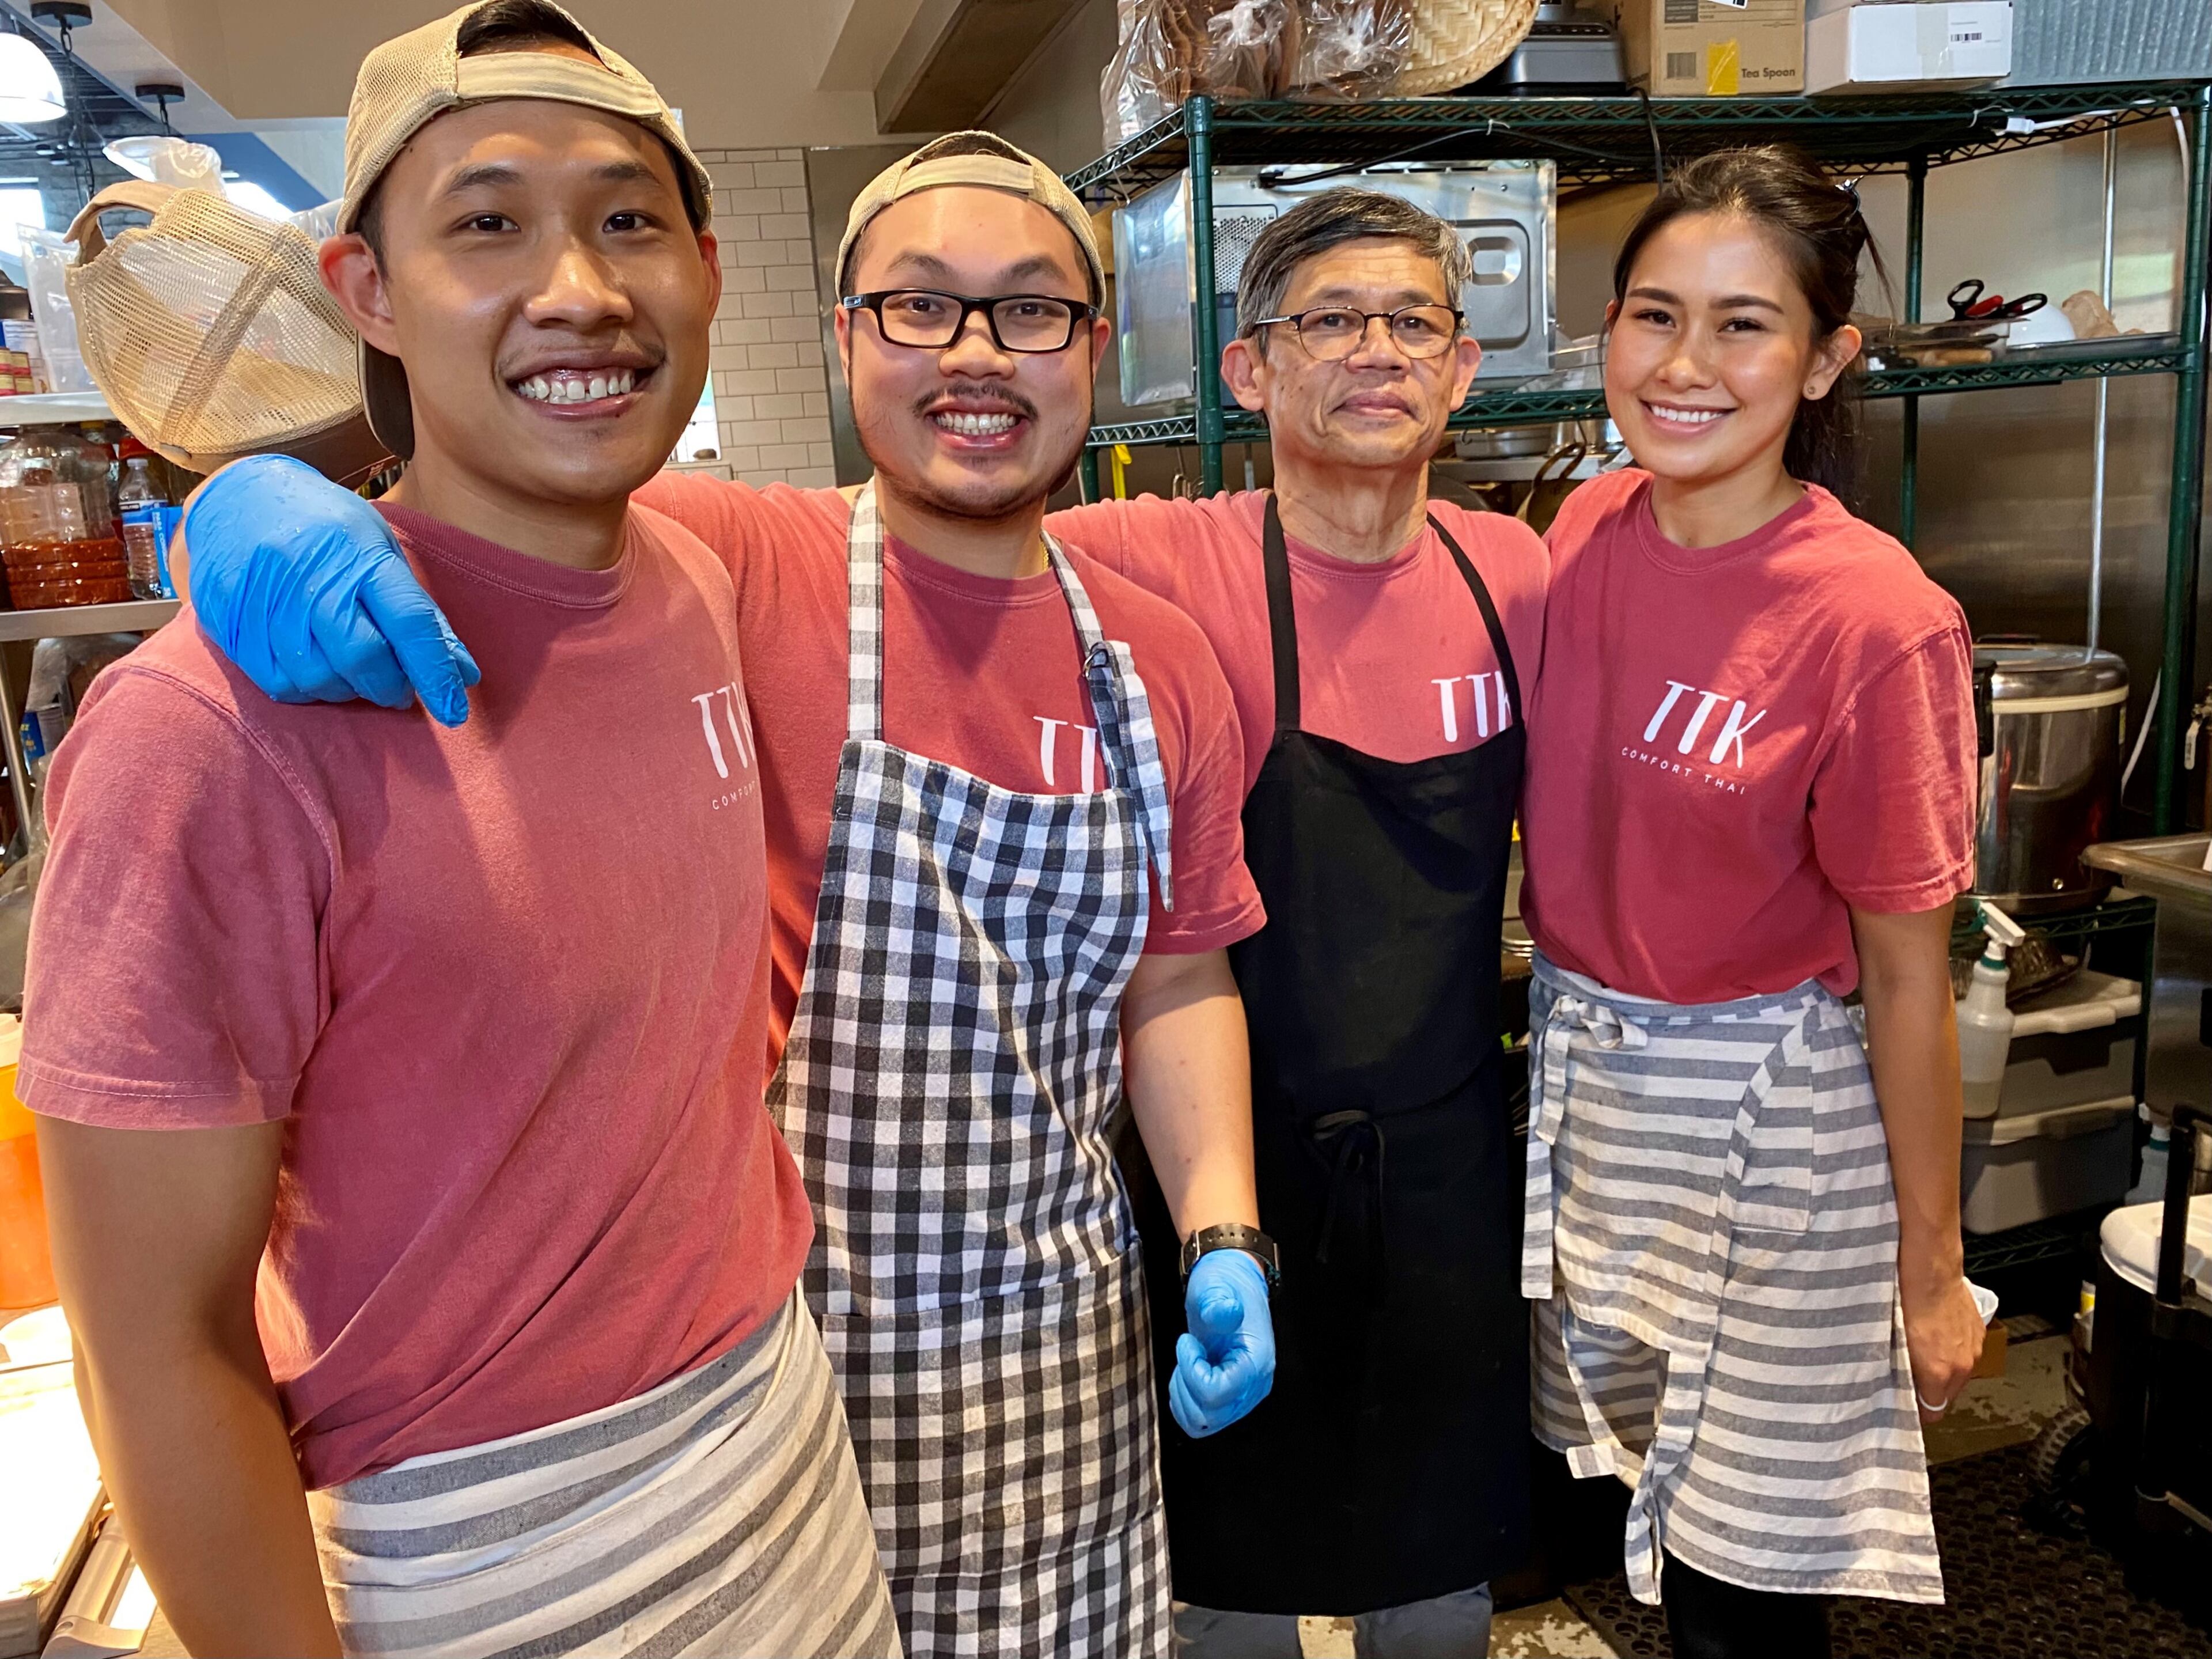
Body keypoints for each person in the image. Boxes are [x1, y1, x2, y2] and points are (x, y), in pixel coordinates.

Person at [180, 178, 1548, 1656]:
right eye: (919, 305)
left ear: (1088, 350)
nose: (974, 352)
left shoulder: (1149, 653)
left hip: (1069, 1343)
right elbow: (480, 516)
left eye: (1028, 309)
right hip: (781, 1366)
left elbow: (1176, 969)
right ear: (846, 341)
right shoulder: (728, 560)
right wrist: (245, 502)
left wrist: (1223, 1234)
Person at [22, 5, 897, 1657]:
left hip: (783, 1447)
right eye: (487, 223)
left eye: (629, 218)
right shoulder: (210, 730)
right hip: (478, 1547)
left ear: (707, 267)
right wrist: (242, 499)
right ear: (368, 289)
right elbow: (154, 1341)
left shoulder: (703, 573)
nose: (580, 287)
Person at [1517, 146, 1987, 1659]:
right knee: (1639, 1501)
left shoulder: (1876, 621)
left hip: (1773, 1136)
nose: (1685, 365)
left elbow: (1911, 979)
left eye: (1743, 325)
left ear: (1829, 355)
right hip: (1601, 1099)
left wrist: (1935, 1266)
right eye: (1655, 317)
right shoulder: (1582, 527)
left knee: (1745, 1587)